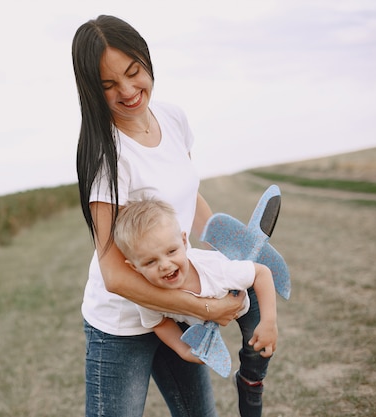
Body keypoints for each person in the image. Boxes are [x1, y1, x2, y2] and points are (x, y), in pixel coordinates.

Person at [72, 15, 251, 417]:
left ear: (146, 61)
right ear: (91, 91)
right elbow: (115, 275)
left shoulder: (172, 118)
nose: (128, 91)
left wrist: (242, 251)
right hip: (121, 324)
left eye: (134, 73)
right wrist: (204, 309)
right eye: (109, 86)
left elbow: (188, 201)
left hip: (178, 306)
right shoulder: (106, 155)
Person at [114, 198, 277, 384]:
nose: (165, 265)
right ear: (134, 267)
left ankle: (251, 380)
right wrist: (183, 350)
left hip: (240, 293)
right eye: (150, 262)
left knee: (258, 345)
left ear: (184, 241)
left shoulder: (217, 270)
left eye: (171, 251)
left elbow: (261, 273)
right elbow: (159, 323)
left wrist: (269, 322)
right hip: (205, 315)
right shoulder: (147, 296)